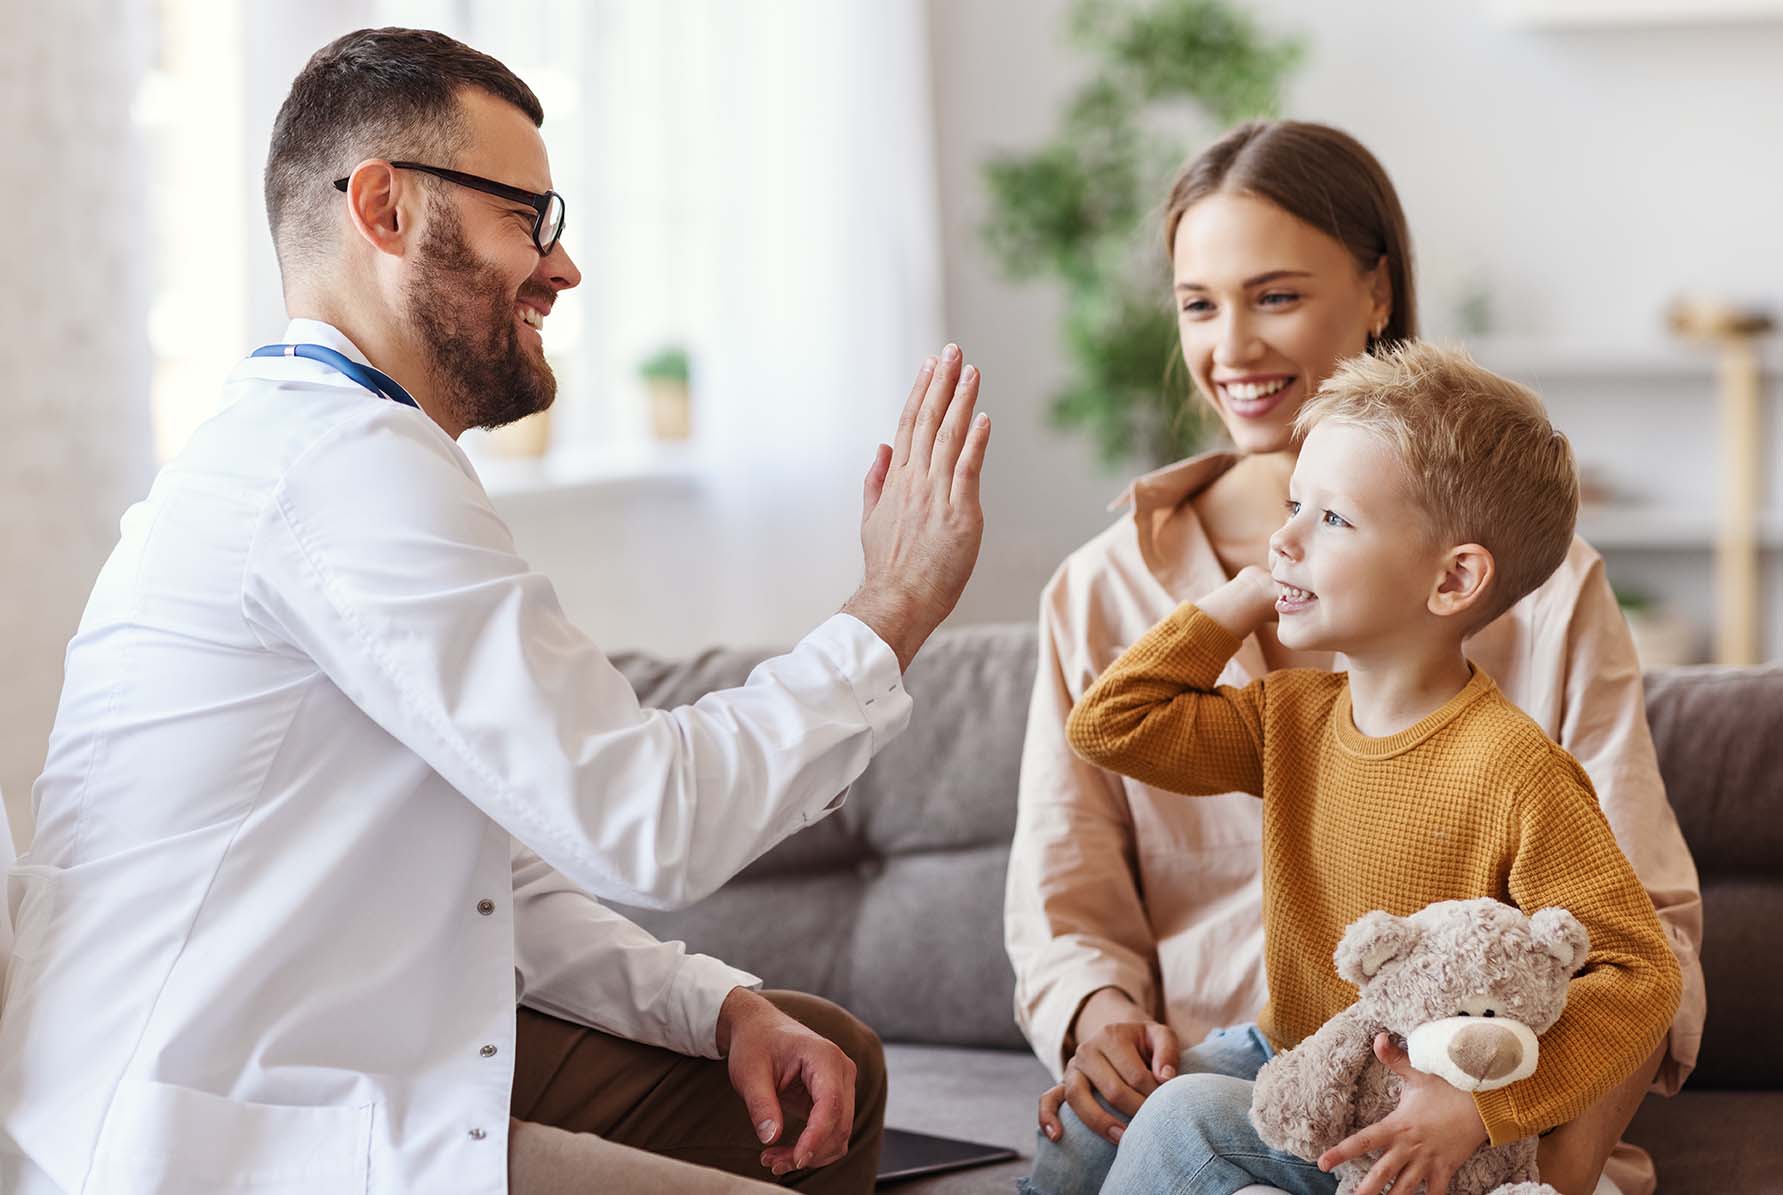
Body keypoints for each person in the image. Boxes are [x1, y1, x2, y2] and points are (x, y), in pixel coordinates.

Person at [0, 28, 991, 1195]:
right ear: (384, 209)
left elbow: (487, 867)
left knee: (830, 1051)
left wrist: (720, 1006)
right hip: (218, 1135)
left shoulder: (333, 451)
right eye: (529, 216)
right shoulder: (337, 469)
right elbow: (645, 819)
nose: (562, 268)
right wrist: (894, 604)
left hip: (332, 1059)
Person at [1004, 120, 1704, 1195]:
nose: (1230, 348)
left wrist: (1520, 1150)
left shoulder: (1538, 628)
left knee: (1194, 1125)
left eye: (1274, 296)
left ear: (1376, 292)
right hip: (1258, 1063)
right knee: (1089, 1148)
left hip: (1447, 1090)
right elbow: (1090, 800)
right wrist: (1097, 1014)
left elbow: (1642, 950)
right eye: (1198, 304)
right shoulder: (1121, 603)